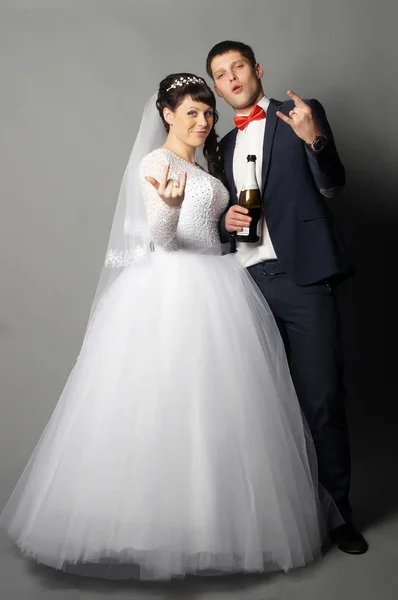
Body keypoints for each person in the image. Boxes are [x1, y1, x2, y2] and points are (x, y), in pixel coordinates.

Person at [0, 73, 342, 582]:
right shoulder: (155, 163)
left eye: (208, 114)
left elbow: (213, 228)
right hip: (173, 289)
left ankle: (214, 524)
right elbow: (162, 236)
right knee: (163, 405)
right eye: (192, 114)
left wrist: (224, 222)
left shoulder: (206, 162)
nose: (204, 122)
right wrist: (173, 206)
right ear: (166, 115)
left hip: (219, 281)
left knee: (221, 408)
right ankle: (158, 527)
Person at [206, 40, 368, 555]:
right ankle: (276, 519)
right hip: (245, 282)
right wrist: (226, 222)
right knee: (258, 405)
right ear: (215, 86)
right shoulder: (223, 146)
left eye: (238, 67)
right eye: (220, 73)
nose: (231, 78)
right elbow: (220, 218)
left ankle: (340, 514)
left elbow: (332, 184)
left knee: (321, 398)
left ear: (257, 70)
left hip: (302, 278)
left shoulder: (298, 114)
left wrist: (313, 138)